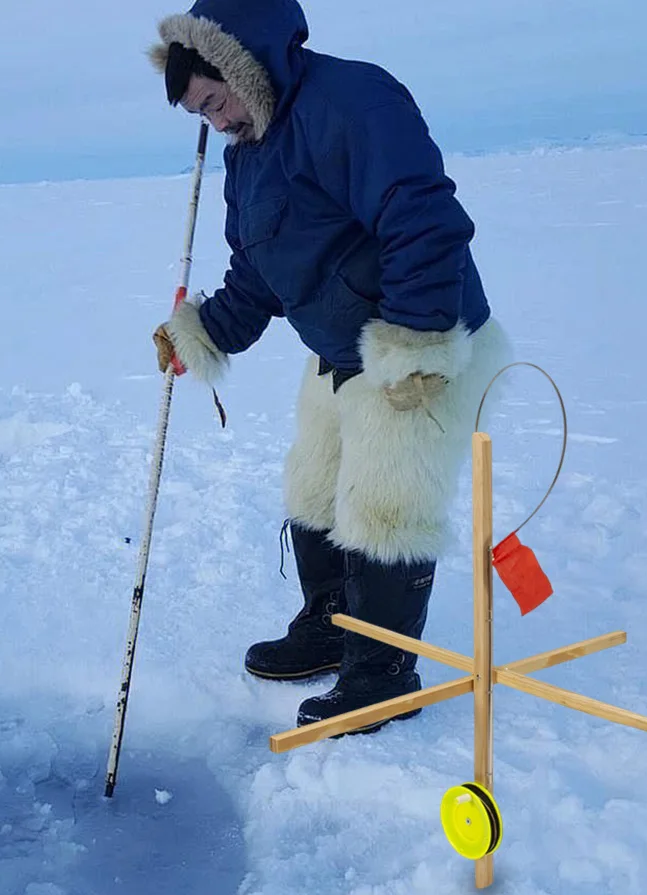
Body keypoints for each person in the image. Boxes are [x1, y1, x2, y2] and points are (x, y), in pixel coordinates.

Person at [149, 0, 512, 733]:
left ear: (245, 66)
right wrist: (201, 334)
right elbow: (258, 273)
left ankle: (382, 670)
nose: (216, 122)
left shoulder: (351, 102)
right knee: (314, 485)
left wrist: (417, 343)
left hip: (421, 344)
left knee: (386, 504)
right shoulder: (249, 151)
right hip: (341, 348)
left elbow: (420, 218)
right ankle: (332, 621)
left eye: (215, 102)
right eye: (200, 115)